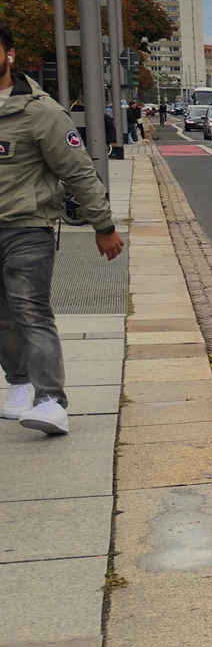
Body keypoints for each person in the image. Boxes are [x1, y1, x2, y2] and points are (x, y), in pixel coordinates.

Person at [0, 23, 122, 435]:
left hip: (26, 228)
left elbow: (79, 171)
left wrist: (102, 224)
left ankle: (50, 400)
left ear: (10, 54)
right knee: (2, 316)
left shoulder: (40, 111)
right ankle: (19, 382)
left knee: (30, 310)